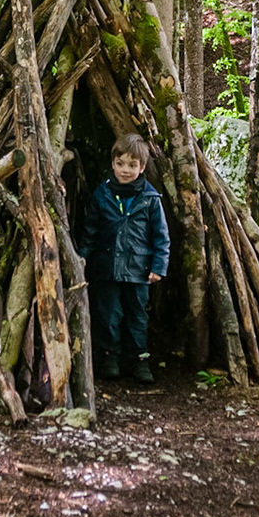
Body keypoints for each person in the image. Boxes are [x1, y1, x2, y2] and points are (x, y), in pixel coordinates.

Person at [77, 133, 170, 384]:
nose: (125, 170)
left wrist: (159, 266)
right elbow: (91, 232)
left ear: (142, 168)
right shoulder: (102, 194)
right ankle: (110, 357)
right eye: (120, 164)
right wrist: (81, 259)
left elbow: (161, 237)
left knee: (137, 315)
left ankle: (140, 360)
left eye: (132, 165)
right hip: (106, 268)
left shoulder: (151, 199)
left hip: (139, 270)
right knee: (109, 314)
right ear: (113, 163)